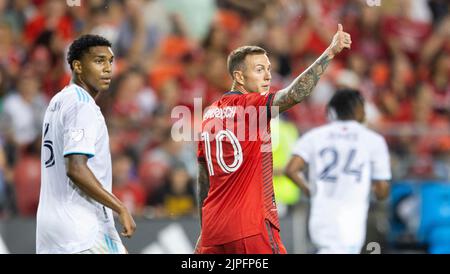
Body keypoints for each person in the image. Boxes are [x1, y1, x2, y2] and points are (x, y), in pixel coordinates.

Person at [195, 24, 352, 254]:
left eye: (268, 68)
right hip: (251, 227)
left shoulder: (209, 114)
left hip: (214, 231)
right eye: (259, 69)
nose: (268, 75)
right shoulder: (251, 105)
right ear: (239, 76)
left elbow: (203, 178)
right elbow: (294, 94)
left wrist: (205, 229)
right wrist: (329, 52)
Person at [36, 34, 136, 254]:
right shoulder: (82, 105)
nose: (108, 68)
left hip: (51, 231)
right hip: (82, 229)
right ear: (78, 66)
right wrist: (119, 207)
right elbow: (76, 168)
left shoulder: (58, 101)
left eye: (110, 61)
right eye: (99, 61)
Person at [284, 89, 391, 254]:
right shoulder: (373, 141)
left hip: (322, 217)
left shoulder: (315, 136)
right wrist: (374, 189)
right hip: (351, 221)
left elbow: (291, 170)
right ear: (358, 109)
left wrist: (310, 191)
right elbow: (382, 190)